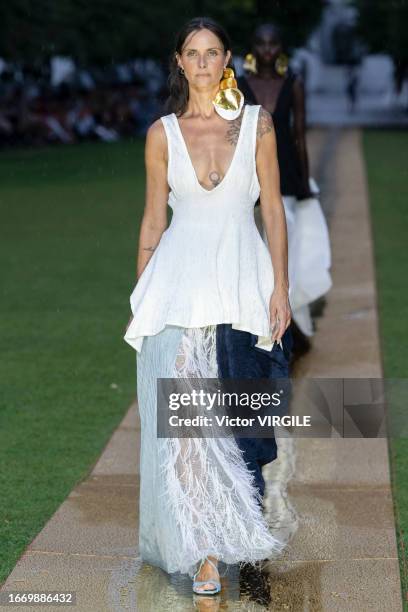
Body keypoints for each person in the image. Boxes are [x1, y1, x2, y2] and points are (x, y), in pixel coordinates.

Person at [124, 17, 294, 596]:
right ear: (179, 61)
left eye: (212, 52)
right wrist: (141, 296)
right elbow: (153, 220)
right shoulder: (162, 133)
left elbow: (273, 210)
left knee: (236, 423)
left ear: (227, 60)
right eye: (191, 53)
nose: (201, 62)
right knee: (189, 433)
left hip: (242, 284)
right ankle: (204, 552)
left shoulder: (257, 126)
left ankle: (235, 532)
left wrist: (281, 287)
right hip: (179, 292)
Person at [238, 23, 332, 357]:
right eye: (261, 43)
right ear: (252, 47)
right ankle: (259, 326)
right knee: (254, 248)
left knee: (284, 243)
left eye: (272, 43)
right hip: (249, 172)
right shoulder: (238, 85)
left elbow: (298, 135)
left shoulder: (293, 84)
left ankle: (288, 326)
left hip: (288, 172)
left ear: (281, 47)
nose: (267, 50)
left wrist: (305, 181)